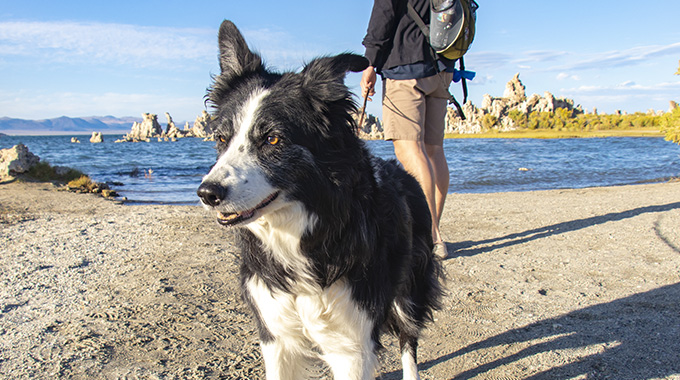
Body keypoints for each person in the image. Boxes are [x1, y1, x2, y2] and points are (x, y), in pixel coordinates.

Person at [360, 0, 454, 258]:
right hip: (443, 68)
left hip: (405, 65)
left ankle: (430, 235)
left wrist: (370, 62)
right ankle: (433, 231)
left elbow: (385, 12)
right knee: (434, 150)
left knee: (409, 149)